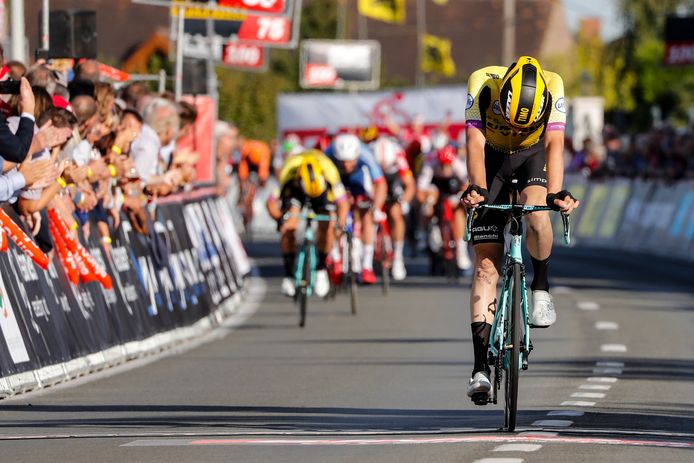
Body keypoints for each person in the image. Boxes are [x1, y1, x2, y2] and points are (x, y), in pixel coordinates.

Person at [461, 56, 580, 400]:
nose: (514, 128)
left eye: (521, 124)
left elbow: (555, 144)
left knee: (538, 213)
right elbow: (475, 142)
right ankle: (480, 368)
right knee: (486, 268)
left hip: (532, 156)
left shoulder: (554, 85)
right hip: (492, 160)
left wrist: (557, 192)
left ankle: (541, 285)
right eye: (510, 122)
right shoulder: (481, 82)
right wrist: (477, 187)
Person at [267, 149, 349, 298]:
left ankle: (321, 268)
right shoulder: (288, 172)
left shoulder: (330, 172)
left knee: (328, 225)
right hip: (296, 191)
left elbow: (343, 204)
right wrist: (279, 219)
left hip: (322, 192)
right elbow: (271, 203)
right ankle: (289, 275)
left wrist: (340, 225)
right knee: (289, 226)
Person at [325, 133, 387, 285]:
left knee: (367, 214)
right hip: (336, 180)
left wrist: (376, 208)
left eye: (350, 162)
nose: (346, 166)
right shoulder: (328, 154)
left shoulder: (365, 154)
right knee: (332, 215)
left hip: (358, 180)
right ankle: (335, 257)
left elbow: (380, 183)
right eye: (343, 162)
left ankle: (366, 266)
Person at [417, 143, 471, 273]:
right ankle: (423, 234)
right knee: (429, 199)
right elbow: (420, 190)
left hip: (453, 188)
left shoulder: (458, 164)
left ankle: (461, 251)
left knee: (458, 211)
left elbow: (467, 185)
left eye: (448, 165)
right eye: (443, 165)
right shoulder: (430, 163)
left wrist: (459, 197)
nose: (445, 168)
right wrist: (426, 204)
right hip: (435, 187)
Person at [370, 135, 415, 280]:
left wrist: (405, 202)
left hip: (393, 180)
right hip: (375, 180)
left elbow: (410, 184)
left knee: (395, 213)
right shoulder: (370, 154)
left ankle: (398, 256)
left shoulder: (398, 156)